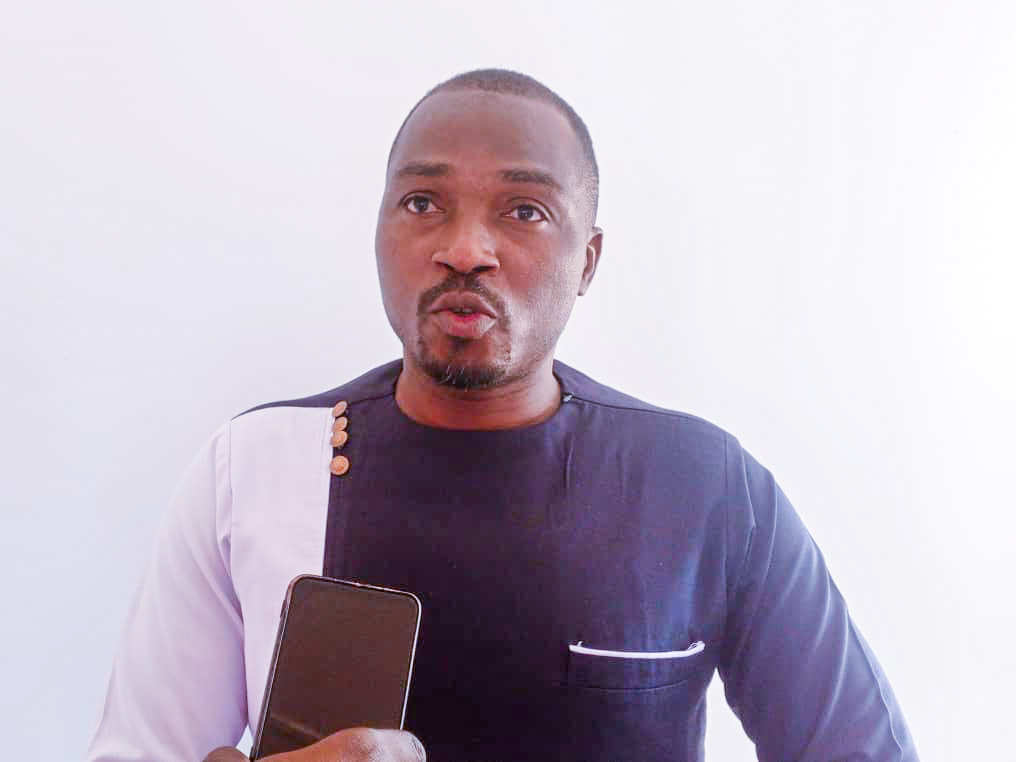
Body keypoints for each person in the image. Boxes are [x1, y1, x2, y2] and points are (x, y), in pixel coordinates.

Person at [86, 69, 919, 762]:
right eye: (422, 202)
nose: (464, 249)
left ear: (588, 260)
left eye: (524, 211)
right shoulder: (253, 466)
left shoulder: (706, 485)